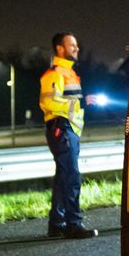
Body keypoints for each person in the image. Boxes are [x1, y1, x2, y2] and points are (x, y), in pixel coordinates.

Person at [40, 32, 97, 239]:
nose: (77, 48)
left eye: (76, 45)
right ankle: (74, 223)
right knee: (72, 177)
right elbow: (48, 102)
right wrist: (80, 103)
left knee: (64, 177)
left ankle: (56, 224)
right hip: (62, 129)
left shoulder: (70, 73)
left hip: (69, 129)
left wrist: (84, 102)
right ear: (59, 48)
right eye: (72, 45)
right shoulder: (54, 74)